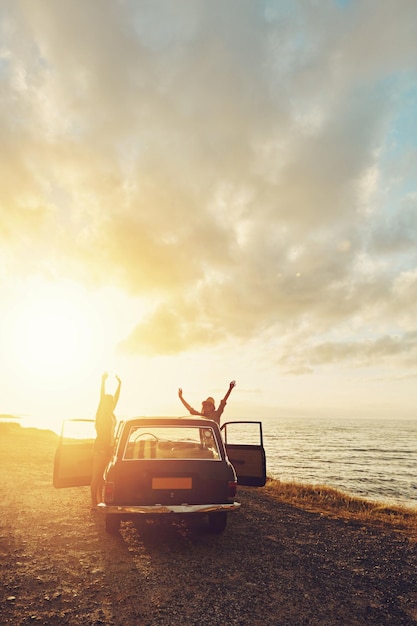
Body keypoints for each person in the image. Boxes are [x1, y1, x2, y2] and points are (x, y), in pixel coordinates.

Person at [90, 372, 121, 509]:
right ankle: (93, 503)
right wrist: (103, 381)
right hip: (100, 448)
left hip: (109, 448)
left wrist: (120, 384)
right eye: (109, 402)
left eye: (112, 402)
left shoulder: (111, 414)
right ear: (105, 403)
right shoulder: (101, 414)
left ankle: (101, 500)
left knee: (104, 477)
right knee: (96, 476)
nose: (112, 402)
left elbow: (116, 398)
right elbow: (101, 397)